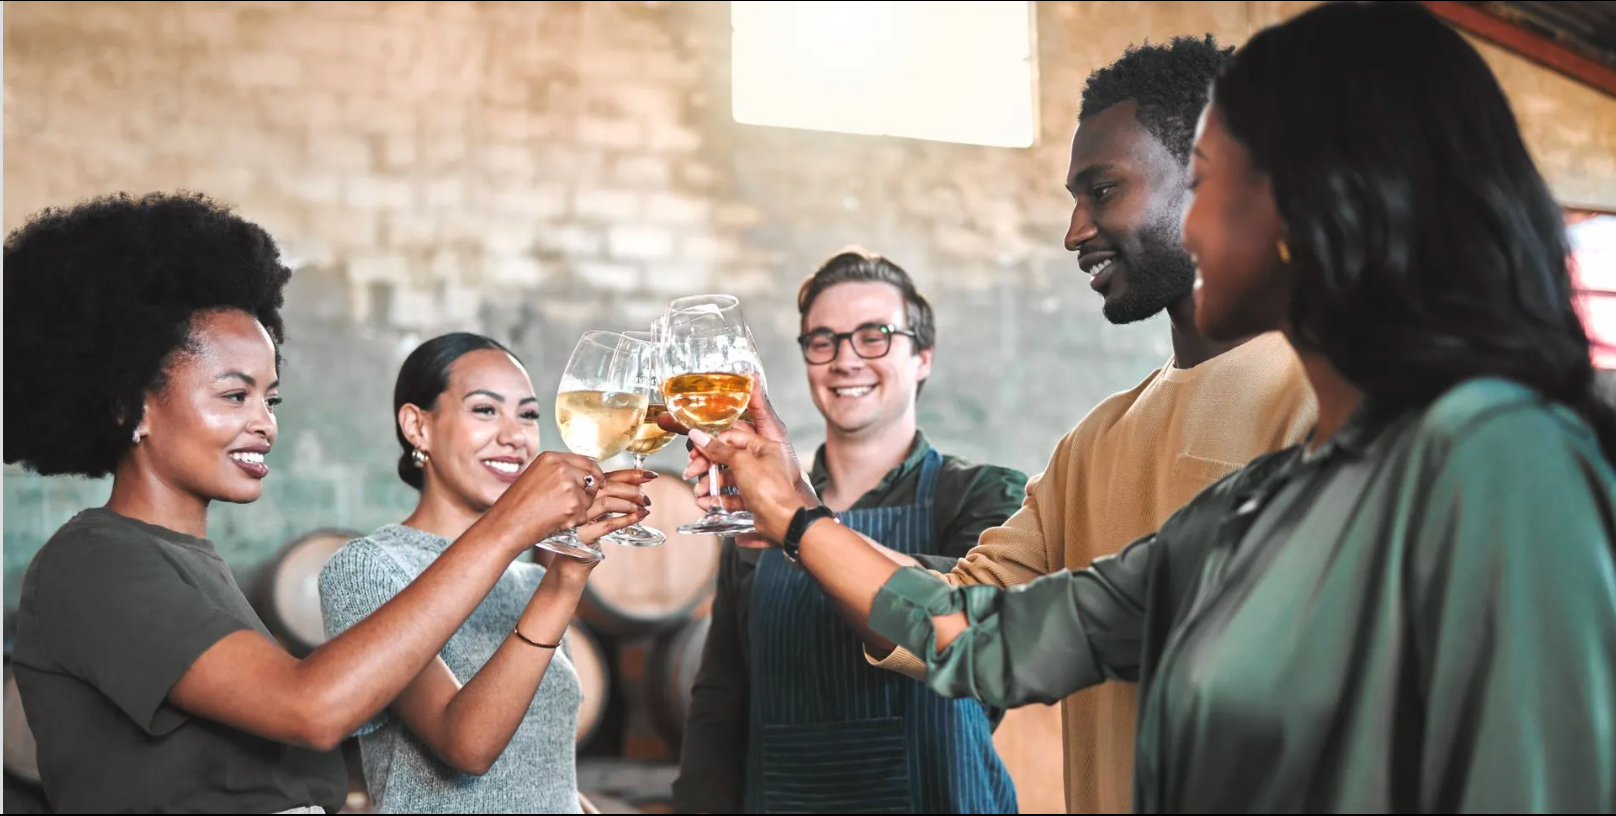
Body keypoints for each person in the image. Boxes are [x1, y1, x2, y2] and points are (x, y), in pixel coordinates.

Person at [680, 2, 1616, 812]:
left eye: (1207, 181)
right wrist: (795, 512)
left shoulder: (1495, 454)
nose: (1076, 230)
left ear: (1313, 200)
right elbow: (978, 635)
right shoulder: (1265, 498)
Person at [675, 34, 1320, 815]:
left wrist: (799, 519)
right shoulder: (1094, 444)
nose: (1073, 231)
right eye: (822, 340)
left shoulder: (1324, 405)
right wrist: (793, 508)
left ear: (1205, 176)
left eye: (1103, 190)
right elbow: (953, 621)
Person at [2, 192, 650, 813]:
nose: (264, 423)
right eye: (234, 396)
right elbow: (312, 710)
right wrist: (509, 525)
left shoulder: (188, 561)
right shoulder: (97, 562)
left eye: (270, 399)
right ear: (128, 406)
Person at [673, 250, 1027, 814]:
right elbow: (721, 701)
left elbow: (955, 627)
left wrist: (798, 519)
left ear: (923, 357)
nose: (846, 360)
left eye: (875, 336)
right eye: (824, 341)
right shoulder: (754, 514)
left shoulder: (988, 495)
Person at [321, 333, 653, 813]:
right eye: (484, 410)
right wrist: (566, 578)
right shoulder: (369, 568)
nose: (514, 436)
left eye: (528, 414)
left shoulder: (528, 581)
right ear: (417, 426)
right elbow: (467, 746)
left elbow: (541, 773)